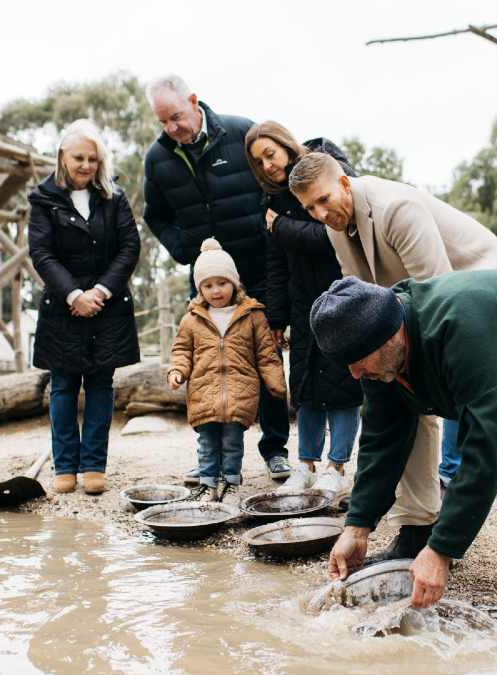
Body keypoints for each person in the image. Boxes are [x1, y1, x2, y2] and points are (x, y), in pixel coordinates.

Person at [312, 272, 497, 635]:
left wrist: (444, 550)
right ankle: (417, 534)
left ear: (392, 334)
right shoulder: (375, 341)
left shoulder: (460, 327)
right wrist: (357, 526)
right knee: (399, 409)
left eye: (359, 360)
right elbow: (382, 437)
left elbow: (485, 446)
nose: (354, 373)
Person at [288, 152, 497, 536]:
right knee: (398, 391)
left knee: (427, 392)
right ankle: (417, 521)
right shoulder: (334, 226)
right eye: (309, 207)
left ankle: (444, 525)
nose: (320, 214)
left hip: (477, 287)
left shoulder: (397, 208)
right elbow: (359, 294)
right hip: (417, 300)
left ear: (344, 182)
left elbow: (439, 290)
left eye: (323, 200)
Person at [142, 74, 291, 484]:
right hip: (205, 279)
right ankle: (210, 458)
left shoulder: (241, 133)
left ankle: (275, 449)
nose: (171, 128)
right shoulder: (158, 158)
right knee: (208, 367)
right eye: (163, 123)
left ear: (193, 101)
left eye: (175, 117)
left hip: (257, 272)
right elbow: (155, 214)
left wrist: (271, 233)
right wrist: (183, 250)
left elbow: (273, 184)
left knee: (266, 361)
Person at [244, 122, 362, 495]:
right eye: (258, 162)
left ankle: (337, 467)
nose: (266, 166)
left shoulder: (326, 171)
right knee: (307, 386)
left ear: (285, 144)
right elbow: (276, 263)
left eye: (270, 154)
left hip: (342, 293)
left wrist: (282, 228)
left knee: (343, 386)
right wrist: (277, 316)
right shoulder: (273, 202)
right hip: (302, 304)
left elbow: (334, 235)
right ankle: (307, 465)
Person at [28, 118, 141, 496]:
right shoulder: (42, 199)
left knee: (100, 385)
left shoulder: (115, 197)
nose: (86, 165)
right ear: (62, 156)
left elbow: (129, 248)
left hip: (107, 305)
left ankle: (93, 466)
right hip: (64, 306)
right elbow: (41, 253)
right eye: (79, 157)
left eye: (93, 159)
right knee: (62, 386)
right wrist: (75, 295)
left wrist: (101, 291)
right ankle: (65, 467)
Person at [167, 238, 287, 502]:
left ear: (234, 283)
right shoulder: (192, 318)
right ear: (200, 288)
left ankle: (231, 483)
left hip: (239, 392)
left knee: (232, 444)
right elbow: (182, 351)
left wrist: (275, 382)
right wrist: (177, 371)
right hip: (203, 391)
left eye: (222, 283)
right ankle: (208, 484)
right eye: (208, 285)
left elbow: (266, 354)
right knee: (207, 444)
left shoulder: (253, 315)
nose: (216, 291)